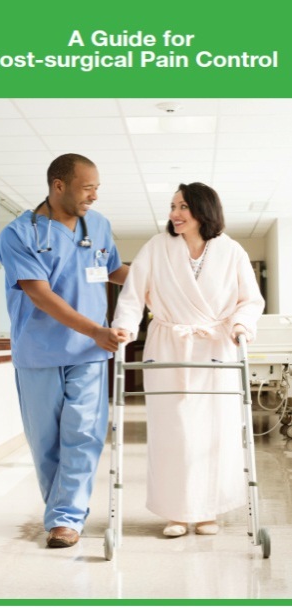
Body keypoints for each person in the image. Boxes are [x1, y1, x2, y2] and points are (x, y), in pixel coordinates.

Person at [112, 182, 264, 537]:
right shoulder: (157, 247)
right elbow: (133, 294)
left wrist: (241, 325)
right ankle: (177, 512)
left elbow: (250, 300)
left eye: (182, 207)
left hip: (216, 346)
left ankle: (208, 510)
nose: (174, 214)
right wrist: (123, 327)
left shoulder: (232, 251)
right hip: (169, 346)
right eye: (172, 206)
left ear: (203, 211)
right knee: (174, 430)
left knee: (216, 430)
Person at [0, 153, 129, 548]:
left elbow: (115, 271)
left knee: (85, 434)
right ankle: (60, 511)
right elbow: (39, 294)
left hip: (89, 354)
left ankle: (65, 519)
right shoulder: (18, 234)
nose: (94, 196)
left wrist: (164, 283)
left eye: (97, 188)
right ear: (59, 186)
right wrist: (94, 329)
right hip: (39, 351)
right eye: (87, 188)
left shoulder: (98, 225)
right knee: (47, 441)